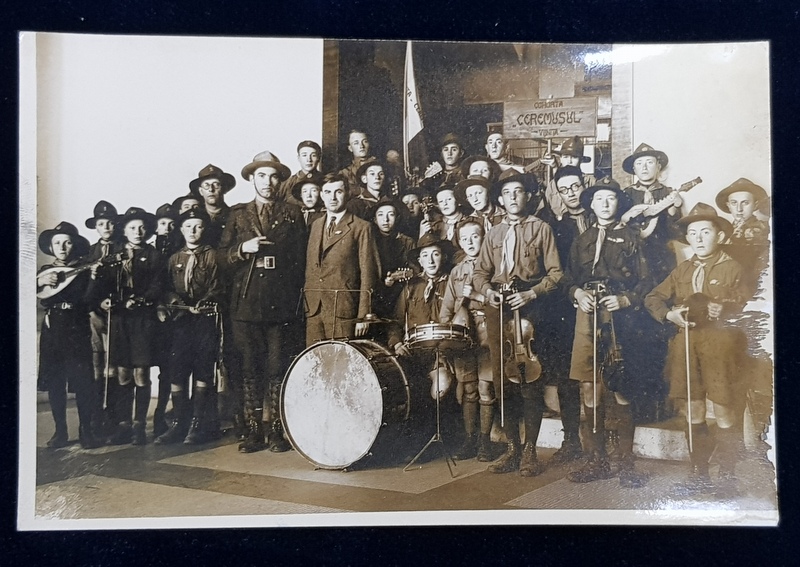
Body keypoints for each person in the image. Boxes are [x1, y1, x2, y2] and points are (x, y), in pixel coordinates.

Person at [644, 203, 748, 496]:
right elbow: (653, 297)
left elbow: (751, 307)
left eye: (705, 231)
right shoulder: (683, 269)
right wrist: (668, 315)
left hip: (720, 346)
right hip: (687, 346)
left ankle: (728, 478)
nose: (699, 238)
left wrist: (725, 309)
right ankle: (698, 474)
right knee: (693, 409)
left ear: (720, 235)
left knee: (724, 409)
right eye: (693, 233)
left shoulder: (733, 267)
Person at [473, 169, 563, 476]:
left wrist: (531, 295)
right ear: (500, 199)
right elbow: (479, 273)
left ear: (527, 196)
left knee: (528, 380)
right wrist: (488, 293)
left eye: (518, 192)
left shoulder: (541, 228)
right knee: (502, 381)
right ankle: (512, 447)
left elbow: (555, 273)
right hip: (498, 310)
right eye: (507, 193)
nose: (513, 197)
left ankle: (530, 451)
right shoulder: (494, 232)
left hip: (528, 309)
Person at [562, 178, 651, 488]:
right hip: (586, 315)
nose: (604, 203)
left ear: (618, 203)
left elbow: (646, 281)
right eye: (599, 198)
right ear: (591, 204)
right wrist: (577, 293)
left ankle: (626, 462)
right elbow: (568, 279)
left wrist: (626, 299)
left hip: (619, 318)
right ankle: (596, 459)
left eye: (610, 198)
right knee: (589, 387)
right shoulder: (582, 240)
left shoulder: (632, 238)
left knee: (621, 385)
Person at [219, 150, 306, 453]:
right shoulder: (237, 215)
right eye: (261, 176)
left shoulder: (292, 213)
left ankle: (278, 432)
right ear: (251, 179)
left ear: (280, 179)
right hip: (245, 305)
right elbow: (221, 257)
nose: (267, 182)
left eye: (272, 176)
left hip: (280, 305)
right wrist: (243, 248)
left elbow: (301, 260)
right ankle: (253, 432)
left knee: (278, 368)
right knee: (249, 368)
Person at [534, 165, 591, 465]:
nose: (571, 193)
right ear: (557, 193)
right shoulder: (555, 227)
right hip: (567, 307)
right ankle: (572, 440)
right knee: (570, 375)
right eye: (564, 189)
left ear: (585, 185)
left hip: (600, 303)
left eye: (576, 186)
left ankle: (604, 440)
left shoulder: (599, 216)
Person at [155, 208, 224, 445]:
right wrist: (175, 301)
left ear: (204, 229)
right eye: (188, 227)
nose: (193, 231)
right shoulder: (175, 258)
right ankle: (179, 423)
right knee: (178, 368)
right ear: (181, 229)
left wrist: (205, 302)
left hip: (204, 320)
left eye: (198, 226)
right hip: (180, 321)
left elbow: (218, 285)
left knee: (204, 367)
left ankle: (198, 423)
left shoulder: (212, 255)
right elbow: (166, 288)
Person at [36, 222, 102, 449]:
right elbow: (35, 296)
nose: (62, 247)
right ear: (51, 248)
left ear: (74, 245)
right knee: (56, 382)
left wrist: (93, 278)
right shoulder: (44, 272)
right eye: (57, 243)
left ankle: (86, 431)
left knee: (83, 382)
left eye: (67, 242)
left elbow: (87, 302)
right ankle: (60, 432)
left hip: (76, 328)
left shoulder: (83, 271)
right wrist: (39, 281)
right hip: (52, 330)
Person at [104, 207, 165, 445]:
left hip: (143, 320)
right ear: (124, 230)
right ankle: (123, 424)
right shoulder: (115, 254)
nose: (137, 232)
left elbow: (158, 285)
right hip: (120, 319)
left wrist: (140, 300)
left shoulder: (154, 255)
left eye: (141, 227)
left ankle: (140, 424)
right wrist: (104, 300)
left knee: (141, 372)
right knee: (122, 372)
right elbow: (105, 285)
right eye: (132, 228)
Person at [439, 219, 494, 460]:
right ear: (459, 241)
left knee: (485, 387)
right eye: (465, 239)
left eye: (475, 236)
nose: (471, 242)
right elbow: (446, 309)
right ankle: (470, 440)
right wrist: (447, 332)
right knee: (469, 388)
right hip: (463, 334)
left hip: (486, 332)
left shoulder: (494, 266)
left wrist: (475, 296)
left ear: (484, 237)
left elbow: (498, 301)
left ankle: (485, 442)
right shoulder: (456, 271)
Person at [304, 173, 380, 345]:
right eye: (328, 192)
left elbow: (369, 273)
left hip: (344, 311)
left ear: (347, 193)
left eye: (338, 192)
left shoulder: (361, 227)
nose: (332, 197)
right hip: (314, 310)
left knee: (341, 364)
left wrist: (363, 315)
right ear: (321, 195)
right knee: (314, 364)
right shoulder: (315, 225)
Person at [83, 200, 120, 438]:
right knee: (97, 365)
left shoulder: (124, 249)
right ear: (96, 226)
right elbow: (84, 289)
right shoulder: (89, 253)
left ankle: (114, 419)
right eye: (101, 223)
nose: (106, 227)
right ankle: (96, 418)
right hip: (94, 315)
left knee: (114, 364)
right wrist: (95, 305)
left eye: (110, 223)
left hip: (118, 315)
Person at [620, 143, 683, 285]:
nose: (644, 167)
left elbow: (676, 233)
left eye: (649, 162)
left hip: (662, 256)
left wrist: (674, 211)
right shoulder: (626, 194)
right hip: (633, 255)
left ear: (658, 167)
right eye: (639, 163)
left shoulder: (668, 193)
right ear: (634, 169)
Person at [149, 202, 181, 438]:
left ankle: (169, 414)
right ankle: (156, 416)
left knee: (172, 368)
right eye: (163, 224)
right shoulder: (150, 251)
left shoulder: (179, 249)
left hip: (175, 315)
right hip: (151, 316)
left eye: (172, 224)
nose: (167, 228)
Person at [714, 177, 770, 297]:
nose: (739, 209)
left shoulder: (763, 229)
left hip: (753, 286)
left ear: (755, 205)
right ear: (728, 205)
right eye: (734, 203)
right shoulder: (724, 232)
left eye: (745, 202)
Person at [371, 196, 415, 327]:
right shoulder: (370, 241)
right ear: (374, 219)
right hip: (375, 297)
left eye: (391, 215)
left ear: (397, 218)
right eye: (381, 215)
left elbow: (414, 270)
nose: (385, 220)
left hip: (399, 296)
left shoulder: (407, 242)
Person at [542, 136, 595, 220]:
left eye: (574, 157)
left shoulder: (590, 181)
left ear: (581, 160)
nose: (569, 161)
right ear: (561, 159)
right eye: (565, 157)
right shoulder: (552, 185)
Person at [189, 164, 236, 248]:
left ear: (224, 189)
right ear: (201, 191)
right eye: (206, 185)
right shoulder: (194, 217)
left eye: (216, 184)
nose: (211, 189)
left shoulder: (234, 215)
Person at [279, 140, 322, 207]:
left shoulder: (326, 180)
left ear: (318, 158)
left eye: (313, 155)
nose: (309, 159)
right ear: (299, 158)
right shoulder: (288, 183)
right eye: (304, 155)